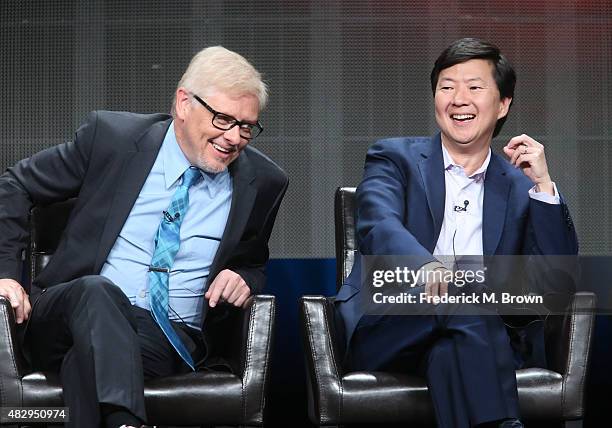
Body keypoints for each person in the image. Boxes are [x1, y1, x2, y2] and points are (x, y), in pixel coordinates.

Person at [0, 46, 288, 428]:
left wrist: (244, 278)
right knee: (99, 292)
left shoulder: (264, 183)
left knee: (88, 361)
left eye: (247, 126)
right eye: (222, 119)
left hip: (164, 333)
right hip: (68, 311)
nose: (234, 137)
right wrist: (6, 273)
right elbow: (15, 185)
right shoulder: (113, 139)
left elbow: (251, 260)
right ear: (184, 103)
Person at [335, 38, 577, 428]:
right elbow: (378, 225)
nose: (458, 98)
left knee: (452, 353)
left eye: (474, 87)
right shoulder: (395, 157)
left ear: (503, 104)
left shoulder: (518, 187)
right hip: (391, 325)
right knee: (465, 291)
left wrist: (544, 187)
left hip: (474, 340)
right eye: (447, 87)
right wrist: (427, 267)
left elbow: (557, 285)